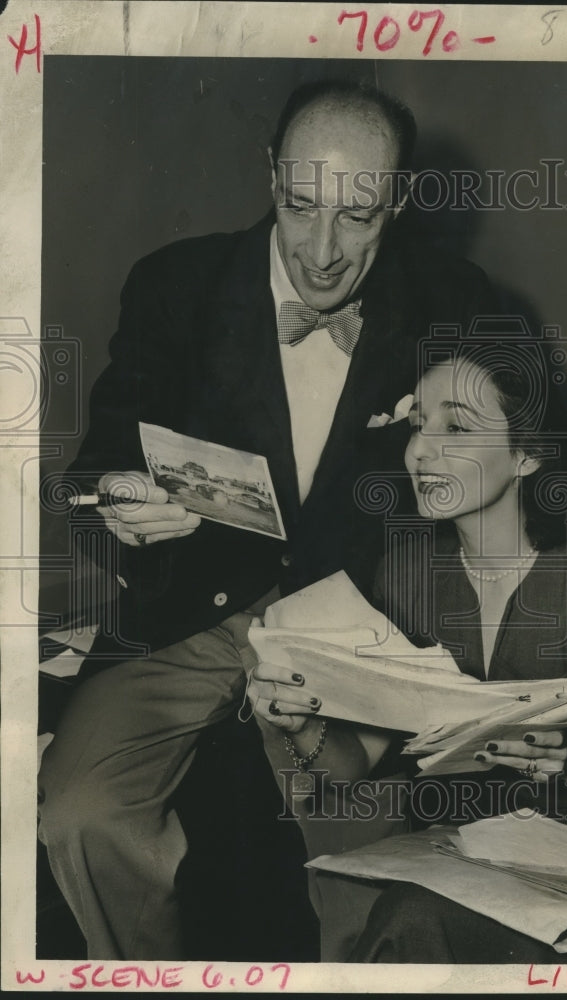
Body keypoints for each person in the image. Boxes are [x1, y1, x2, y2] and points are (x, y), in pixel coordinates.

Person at [37, 78, 495, 959]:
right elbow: (92, 472)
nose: (322, 252)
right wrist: (124, 505)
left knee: (376, 868)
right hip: (189, 616)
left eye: (358, 217)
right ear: (269, 178)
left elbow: (528, 472)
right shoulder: (177, 284)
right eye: (298, 205)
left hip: (352, 626)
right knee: (80, 816)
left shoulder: (456, 299)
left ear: (396, 201)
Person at [250, 338, 567, 963]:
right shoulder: (407, 579)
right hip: (463, 861)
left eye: (457, 428)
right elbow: (354, 764)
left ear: (526, 456)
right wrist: (300, 725)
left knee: (409, 922)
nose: (421, 451)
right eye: (418, 426)